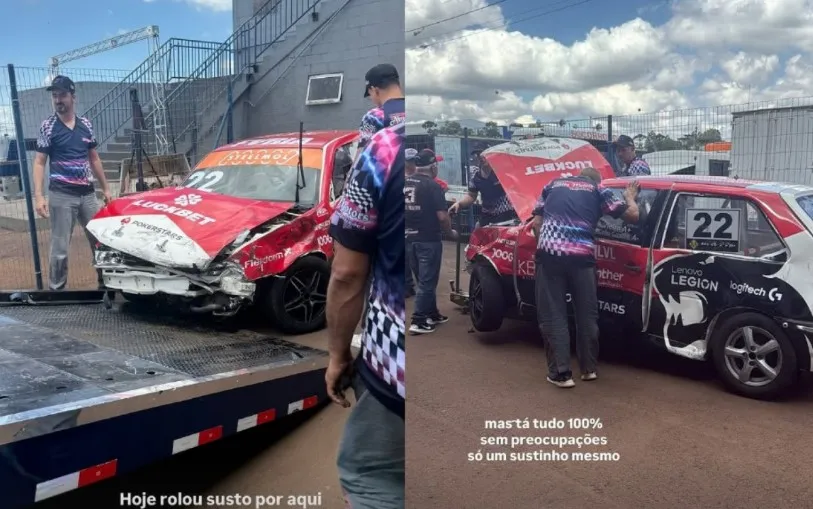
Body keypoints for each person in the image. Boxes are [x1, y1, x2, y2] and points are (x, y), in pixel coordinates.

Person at [326, 122, 405, 508]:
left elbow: (346, 273)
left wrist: (338, 355)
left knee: (373, 479)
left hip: (393, 368)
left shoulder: (385, 148)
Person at [531, 168, 640, 388]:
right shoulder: (599, 190)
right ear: (596, 180)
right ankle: (588, 369)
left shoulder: (552, 185)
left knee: (554, 314)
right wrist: (629, 197)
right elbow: (633, 216)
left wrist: (543, 248)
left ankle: (561, 374)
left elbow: (536, 224)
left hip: (551, 256)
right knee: (587, 315)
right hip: (582, 258)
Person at [32, 75, 112, 291]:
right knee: (60, 248)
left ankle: (106, 285)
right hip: (61, 195)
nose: (58, 100)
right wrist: (39, 196)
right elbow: (39, 162)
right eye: (55, 96)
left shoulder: (86, 125)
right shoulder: (48, 126)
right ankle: (57, 291)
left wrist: (105, 188)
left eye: (62, 95)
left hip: (88, 195)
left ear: (73, 97)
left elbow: (94, 158)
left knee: (100, 241)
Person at [405, 149, 458, 334]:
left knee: (424, 280)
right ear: (433, 167)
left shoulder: (405, 182)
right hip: (428, 239)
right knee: (427, 282)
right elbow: (442, 217)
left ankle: (431, 313)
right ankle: (418, 320)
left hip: (409, 238)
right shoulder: (433, 186)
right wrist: (450, 232)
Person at [448, 149, 516, 226]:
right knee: (478, 230)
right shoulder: (475, 175)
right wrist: (459, 204)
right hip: (487, 214)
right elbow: (471, 196)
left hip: (505, 213)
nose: (481, 157)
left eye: (484, 154)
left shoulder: (501, 172)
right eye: (478, 155)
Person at [358, 63, 405, 149]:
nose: (371, 99)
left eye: (370, 94)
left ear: (375, 90)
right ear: (398, 85)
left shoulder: (373, 117)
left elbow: (363, 155)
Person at [405, 148, 418, 298]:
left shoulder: (420, 177)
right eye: (410, 160)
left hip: (417, 221)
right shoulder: (400, 178)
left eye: (415, 160)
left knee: (414, 256)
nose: (412, 163)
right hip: (403, 220)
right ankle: (408, 285)